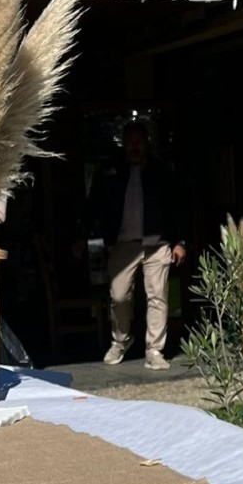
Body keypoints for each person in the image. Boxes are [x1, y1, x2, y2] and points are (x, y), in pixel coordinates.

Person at [84, 122, 186, 369]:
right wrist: (86, 235)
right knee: (118, 297)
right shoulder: (110, 171)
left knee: (158, 296)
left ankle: (154, 350)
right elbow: (94, 205)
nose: (135, 148)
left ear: (147, 143)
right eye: (130, 142)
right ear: (124, 144)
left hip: (157, 243)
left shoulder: (161, 171)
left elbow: (175, 207)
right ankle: (121, 340)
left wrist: (179, 241)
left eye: (140, 142)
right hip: (123, 244)